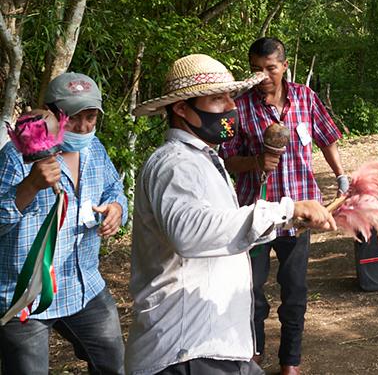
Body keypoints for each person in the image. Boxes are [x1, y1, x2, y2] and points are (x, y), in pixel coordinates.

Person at [126, 54, 334, 375]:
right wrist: (285, 212)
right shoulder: (175, 164)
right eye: (216, 99)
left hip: (214, 345)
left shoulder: (205, 160)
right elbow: (191, 234)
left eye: (229, 97)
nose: (229, 107)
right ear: (181, 108)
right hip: (188, 351)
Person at [218, 38, 345, 375]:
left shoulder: (305, 97)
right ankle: (253, 352)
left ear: (284, 66)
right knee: (250, 290)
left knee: (295, 291)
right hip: (255, 216)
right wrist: (257, 160)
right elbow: (226, 161)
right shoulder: (237, 107)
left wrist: (341, 174)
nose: (263, 76)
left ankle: (290, 361)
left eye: (270, 69)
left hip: (298, 218)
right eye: (256, 70)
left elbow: (327, 137)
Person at [0, 72, 128, 375]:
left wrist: (116, 208)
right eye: (73, 118)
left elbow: (113, 188)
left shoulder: (94, 149)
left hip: (83, 286)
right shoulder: (17, 158)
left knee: (113, 362)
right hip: (25, 297)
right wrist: (29, 186)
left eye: (91, 117)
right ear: (53, 115)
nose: (83, 127)